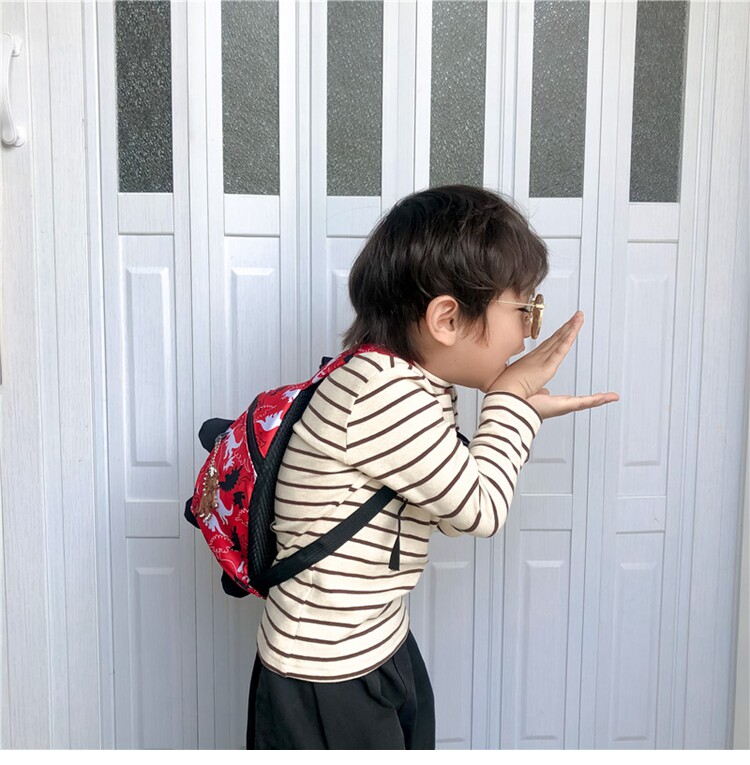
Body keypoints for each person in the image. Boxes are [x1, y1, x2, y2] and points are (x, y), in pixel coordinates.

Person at [248, 185, 619, 749]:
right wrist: (511, 398)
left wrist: (515, 404)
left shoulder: (405, 382)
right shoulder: (381, 393)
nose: (528, 334)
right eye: (525, 310)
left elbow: (445, 511)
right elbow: (479, 511)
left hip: (374, 641)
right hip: (324, 671)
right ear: (447, 318)